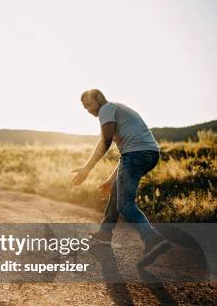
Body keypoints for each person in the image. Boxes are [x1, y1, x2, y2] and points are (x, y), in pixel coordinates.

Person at [71, 88, 170, 267]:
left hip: (136, 155)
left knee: (125, 205)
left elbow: (106, 141)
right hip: (149, 154)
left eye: (89, 104)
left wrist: (87, 168)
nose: (88, 110)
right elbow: (126, 154)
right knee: (117, 192)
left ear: (99, 99)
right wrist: (110, 180)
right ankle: (104, 234)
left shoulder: (106, 109)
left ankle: (153, 239)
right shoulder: (116, 109)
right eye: (85, 107)